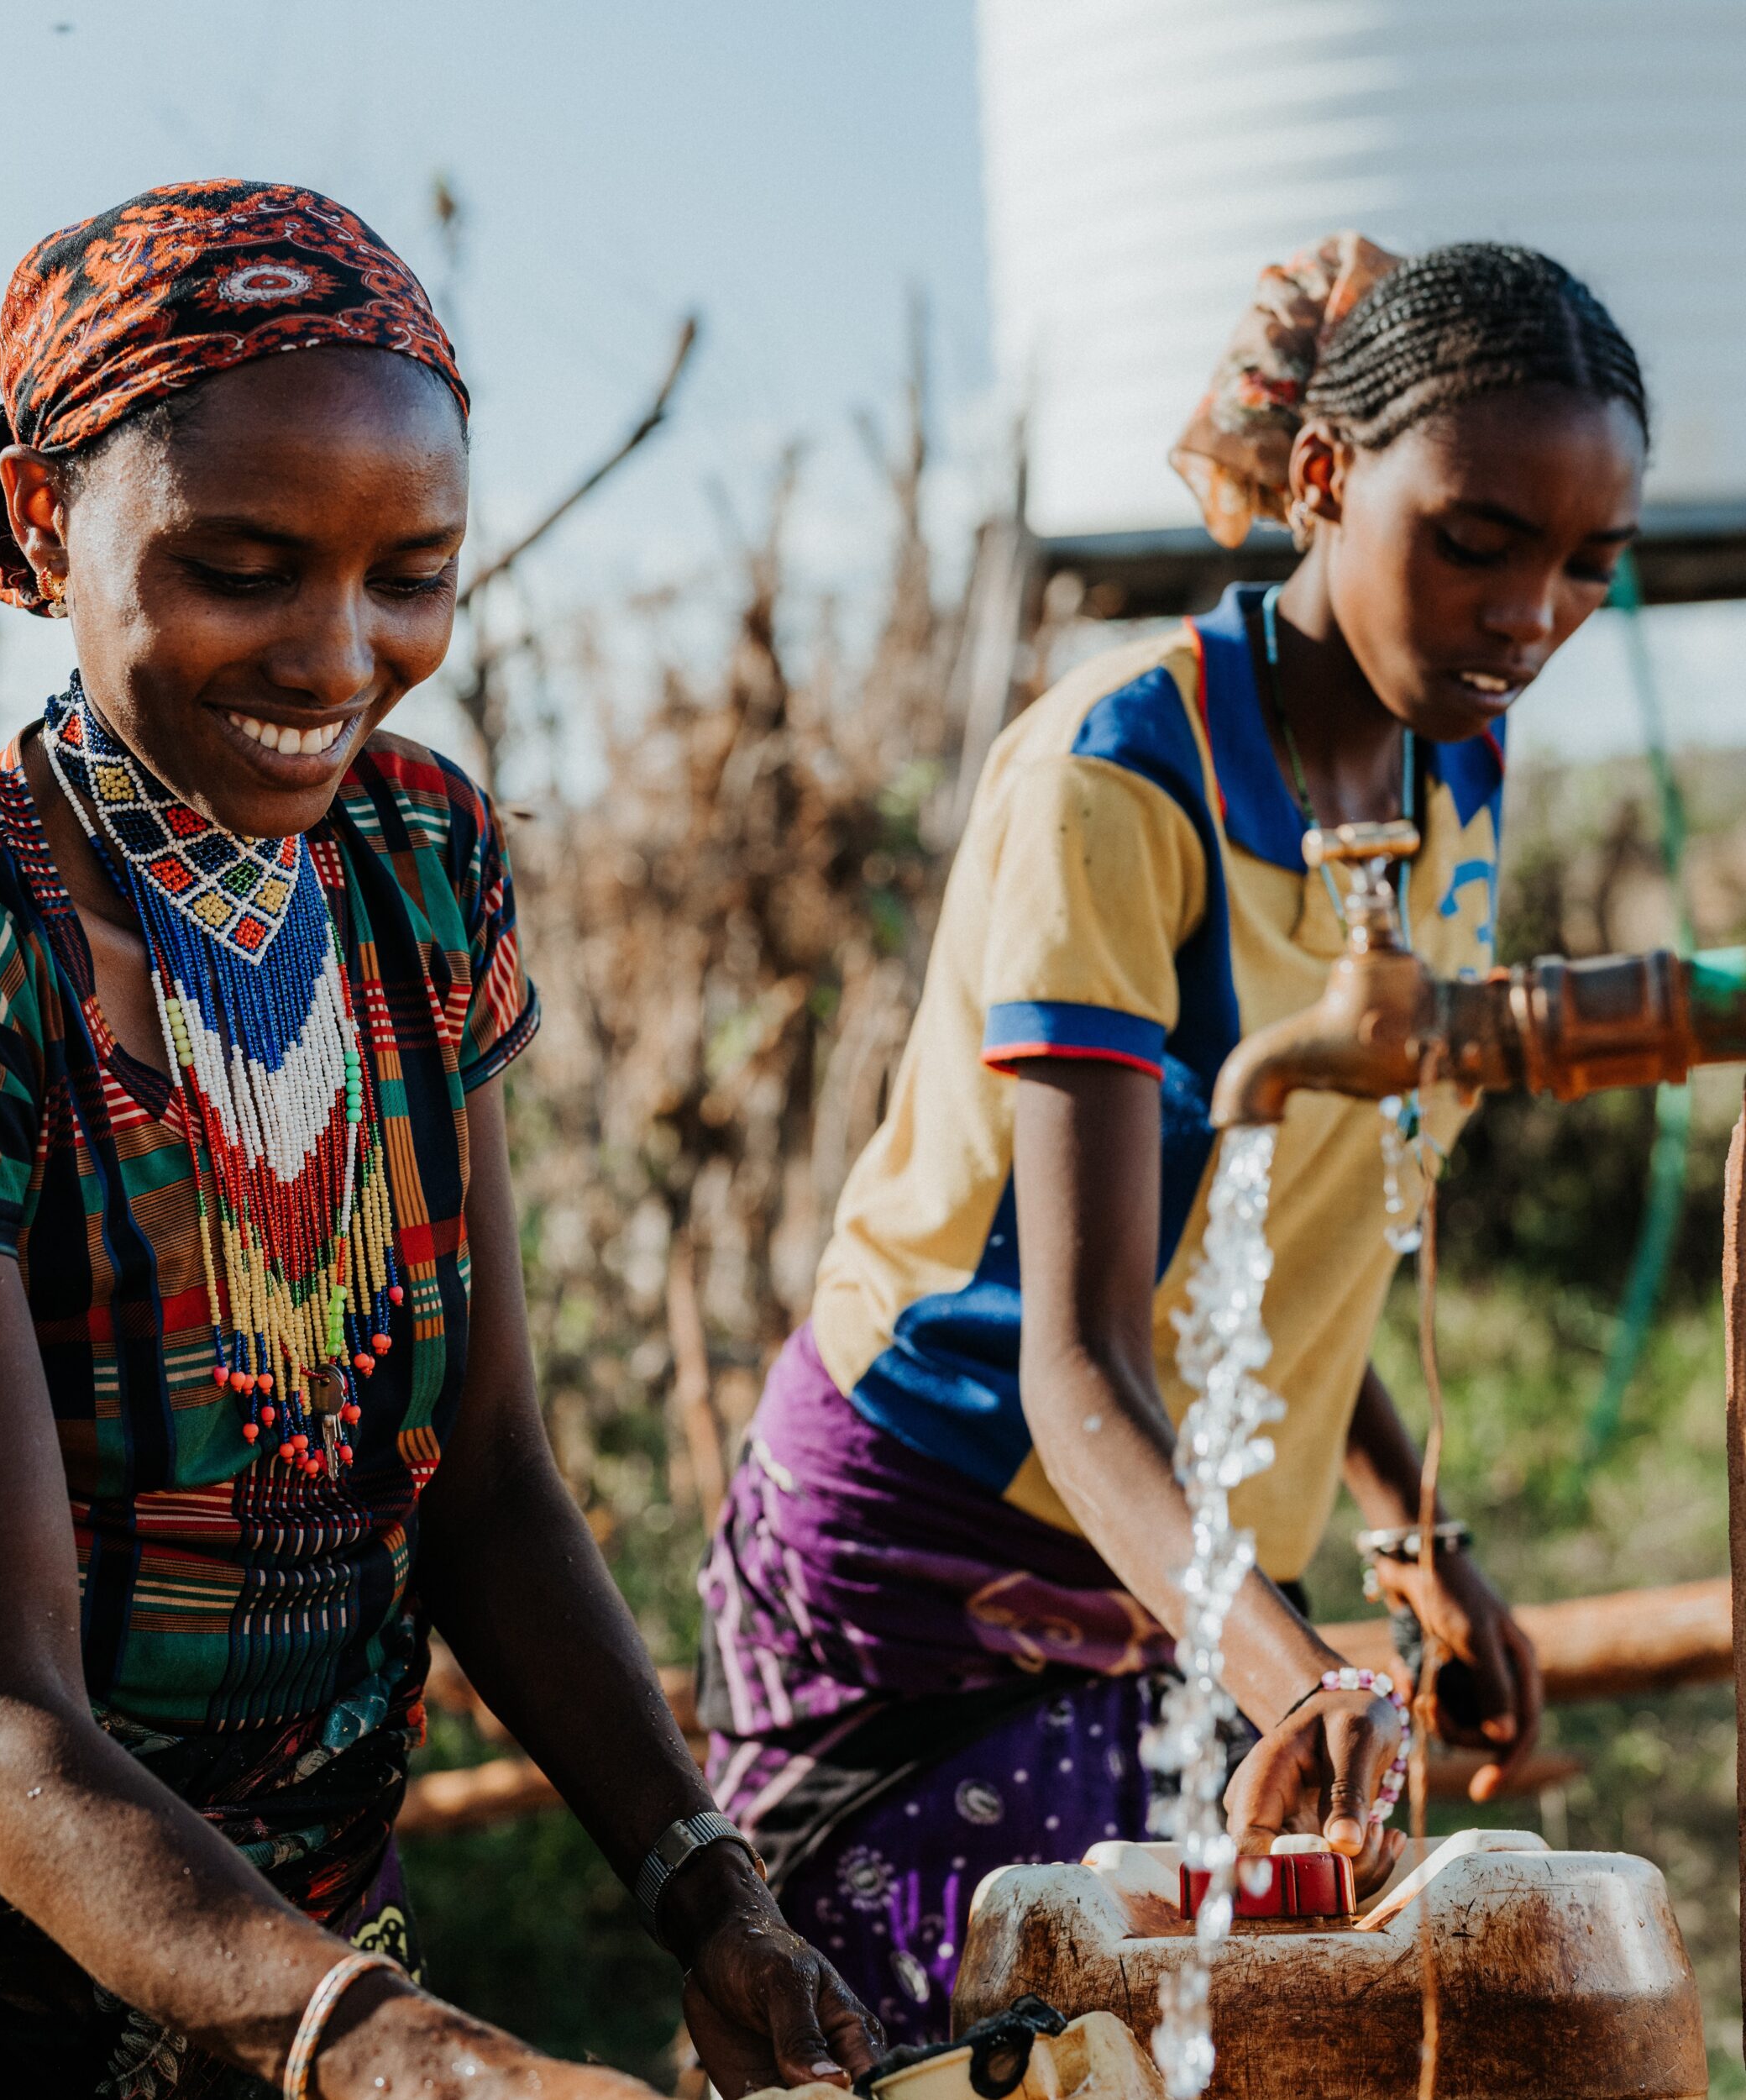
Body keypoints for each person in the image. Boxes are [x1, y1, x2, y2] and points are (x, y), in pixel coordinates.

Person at [0, 181, 877, 2100]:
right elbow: (3, 1720)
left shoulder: (418, 862)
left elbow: (491, 1480)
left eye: (411, 573)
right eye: (243, 562)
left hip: (265, 1965)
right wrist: (408, 2055)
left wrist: (713, 1895)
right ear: (41, 528)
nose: (334, 654)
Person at [699, 237, 1649, 2043]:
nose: (1528, 612)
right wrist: (1294, 1676)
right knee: (1006, 2058)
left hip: (1179, 1565)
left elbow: (1298, 1217)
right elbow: (1077, 1358)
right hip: (942, 1547)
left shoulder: (1455, 766)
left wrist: (1407, 1530)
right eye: (1473, 540)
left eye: (1587, 562)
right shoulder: (1120, 784)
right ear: (1319, 480)